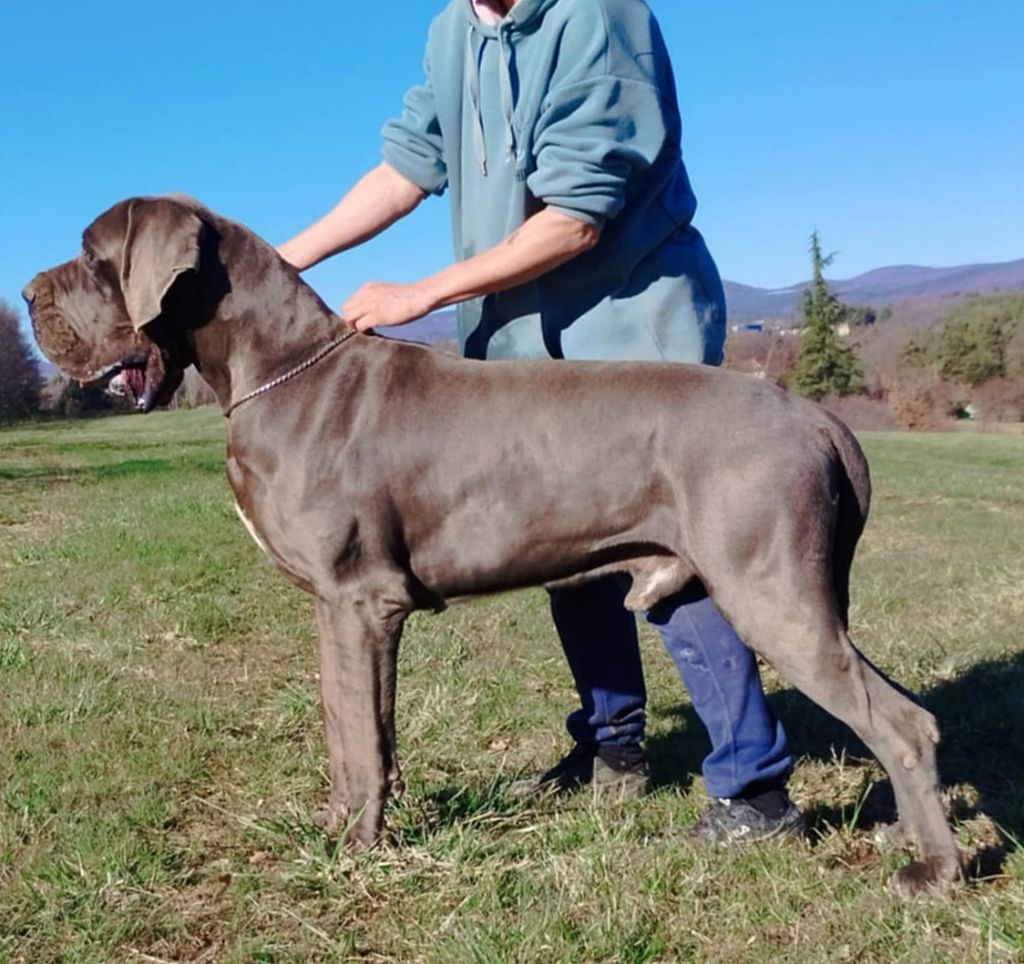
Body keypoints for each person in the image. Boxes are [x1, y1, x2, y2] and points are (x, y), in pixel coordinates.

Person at [278, 0, 803, 842]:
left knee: (675, 550)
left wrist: (419, 295)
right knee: (564, 553)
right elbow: (407, 166)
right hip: (521, 344)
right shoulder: (456, 30)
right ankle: (613, 748)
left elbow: (576, 214)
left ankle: (754, 787)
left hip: (631, 331)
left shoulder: (600, 15)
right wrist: (279, 261)